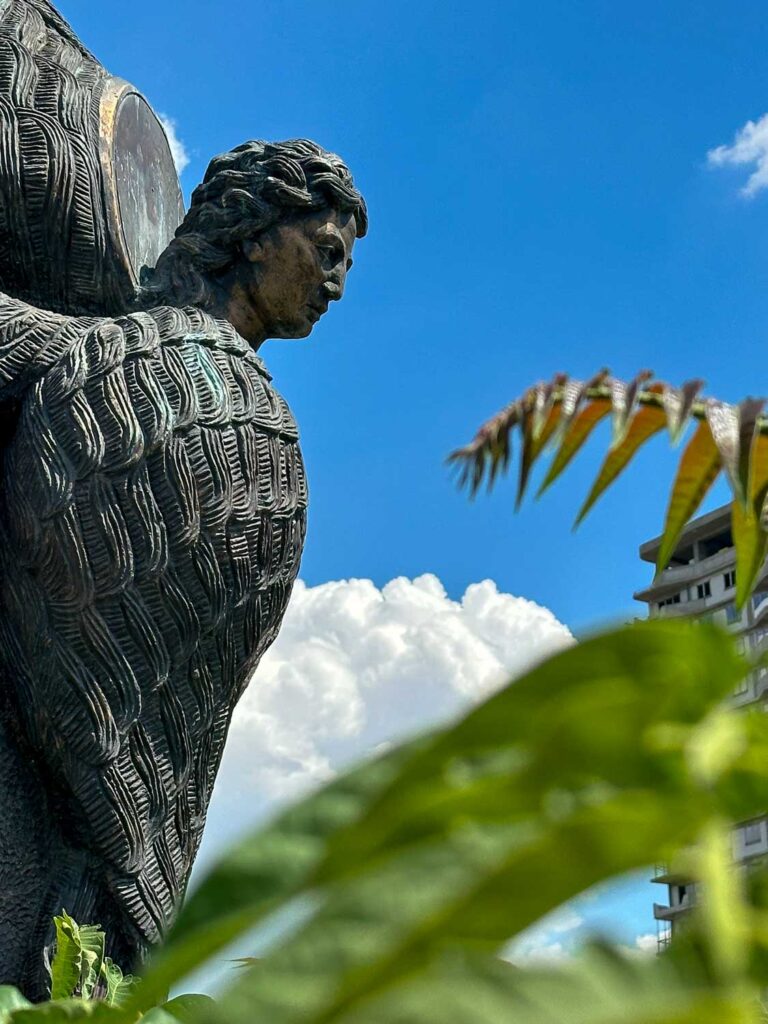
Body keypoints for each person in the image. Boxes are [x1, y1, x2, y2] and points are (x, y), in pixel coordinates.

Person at [0, 138, 366, 999]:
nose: (337, 284)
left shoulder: (236, 415)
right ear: (254, 232)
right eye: (326, 253)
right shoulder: (130, 362)